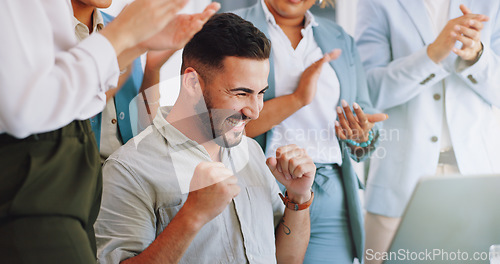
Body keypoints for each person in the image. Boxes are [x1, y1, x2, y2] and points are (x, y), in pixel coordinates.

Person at [0, 0, 219, 262]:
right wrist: (124, 36)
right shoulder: (34, 19)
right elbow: (31, 109)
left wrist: (148, 62)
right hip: (53, 181)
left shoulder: (122, 27)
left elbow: (116, 113)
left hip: (96, 186)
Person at [95, 13, 317, 264]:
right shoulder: (129, 169)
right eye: (242, 93)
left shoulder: (252, 152)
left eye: (260, 93)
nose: (254, 111)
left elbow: (288, 260)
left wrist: (298, 198)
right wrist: (192, 215)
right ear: (192, 82)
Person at [233, 0, 387, 263]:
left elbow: (365, 123)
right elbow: (217, 125)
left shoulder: (340, 39)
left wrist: (362, 134)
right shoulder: (230, 28)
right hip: (258, 182)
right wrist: (297, 98)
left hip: (329, 190)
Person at [355, 1, 500, 262]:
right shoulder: (376, 3)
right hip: (398, 185)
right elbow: (369, 92)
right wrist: (432, 55)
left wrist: (478, 56)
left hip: (475, 181)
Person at [71, 0, 184, 161]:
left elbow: (143, 127)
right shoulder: (39, 34)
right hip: (79, 175)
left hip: (129, 171)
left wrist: (153, 69)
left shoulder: (121, 25)